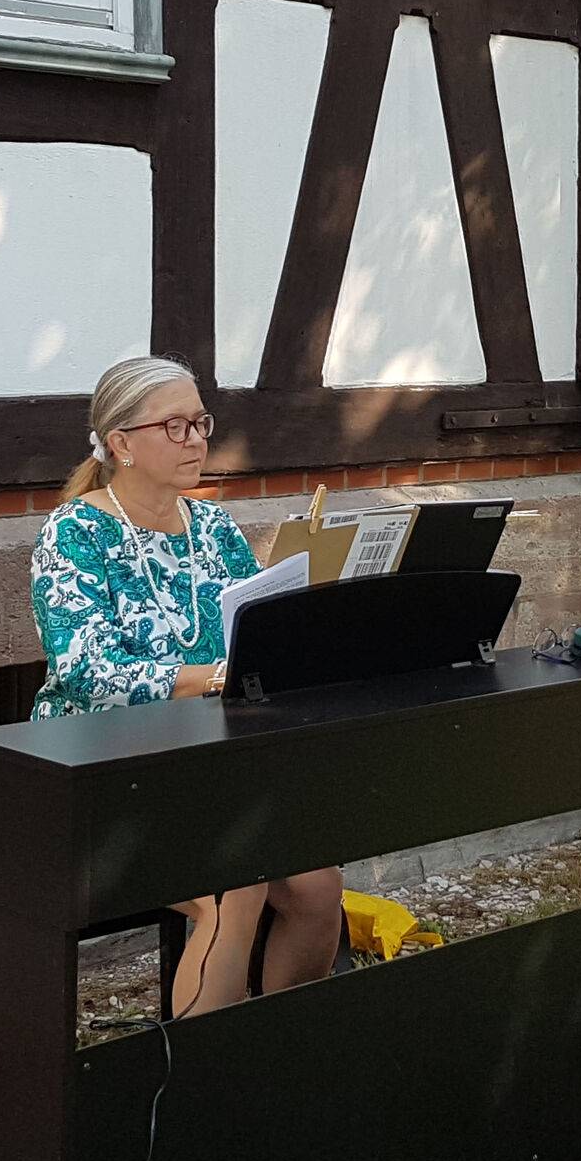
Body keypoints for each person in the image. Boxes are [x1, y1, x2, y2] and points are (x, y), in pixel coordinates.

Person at [30, 354, 344, 1016]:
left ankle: (279, 1055)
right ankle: (200, 1092)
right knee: (236, 887)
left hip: (209, 762)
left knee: (319, 885)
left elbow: (253, 628)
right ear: (122, 443)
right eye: (175, 426)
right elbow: (88, 670)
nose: (197, 439)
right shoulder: (74, 531)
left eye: (200, 422)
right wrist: (209, 676)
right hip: (100, 769)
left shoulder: (213, 527)